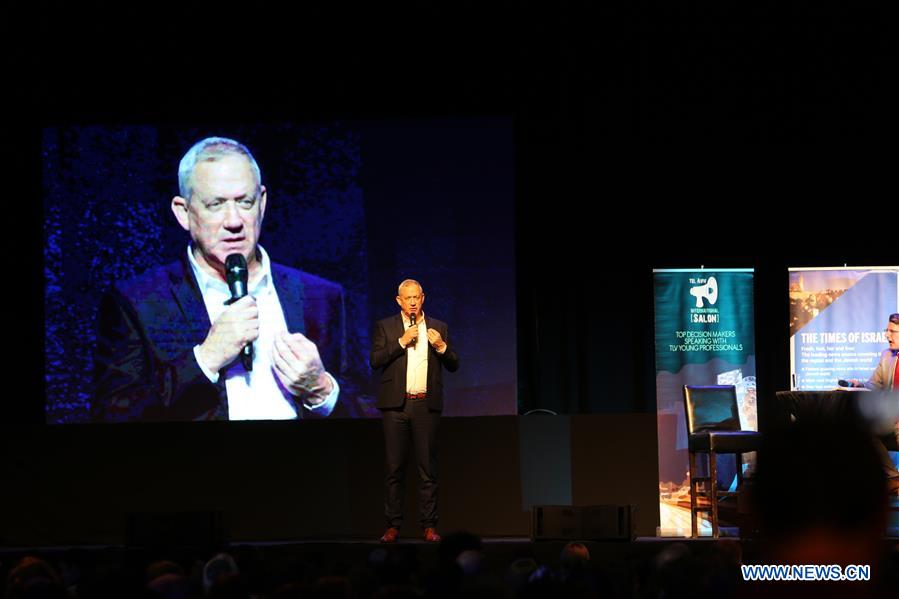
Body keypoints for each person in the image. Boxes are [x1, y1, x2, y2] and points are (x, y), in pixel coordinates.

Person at [93, 137, 344, 421]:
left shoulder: (320, 296)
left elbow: (369, 407)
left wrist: (321, 389)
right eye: (215, 204)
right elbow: (112, 417)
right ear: (183, 212)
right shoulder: (138, 302)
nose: (234, 220)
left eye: (244, 202)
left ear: (262, 203)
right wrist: (205, 359)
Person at [370, 279, 459, 543]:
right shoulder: (385, 327)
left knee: (427, 469)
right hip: (395, 406)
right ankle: (392, 525)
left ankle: (429, 526)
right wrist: (401, 341)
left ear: (423, 298)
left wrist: (442, 348)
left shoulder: (438, 328)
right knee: (394, 469)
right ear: (399, 300)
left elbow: (454, 364)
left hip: (425, 406)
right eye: (407, 298)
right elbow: (375, 360)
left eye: (416, 297)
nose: (412, 302)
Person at [847, 313, 899, 494]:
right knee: (862, 427)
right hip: (892, 421)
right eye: (887, 330)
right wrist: (858, 385)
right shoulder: (887, 356)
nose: (887, 335)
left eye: (892, 331)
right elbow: (873, 385)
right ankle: (893, 478)